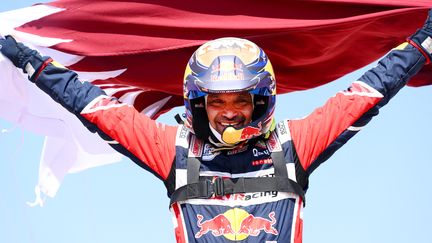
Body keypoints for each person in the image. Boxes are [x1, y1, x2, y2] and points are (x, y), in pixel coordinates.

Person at [0, 9, 431, 243]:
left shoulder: (293, 145)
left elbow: (367, 93)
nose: (229, 112)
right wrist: (23, 56)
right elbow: (91, 104)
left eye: (241, 99)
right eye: (217, 101)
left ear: (260, 101)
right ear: (198, 104)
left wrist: (420, 44)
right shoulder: (173, 150)